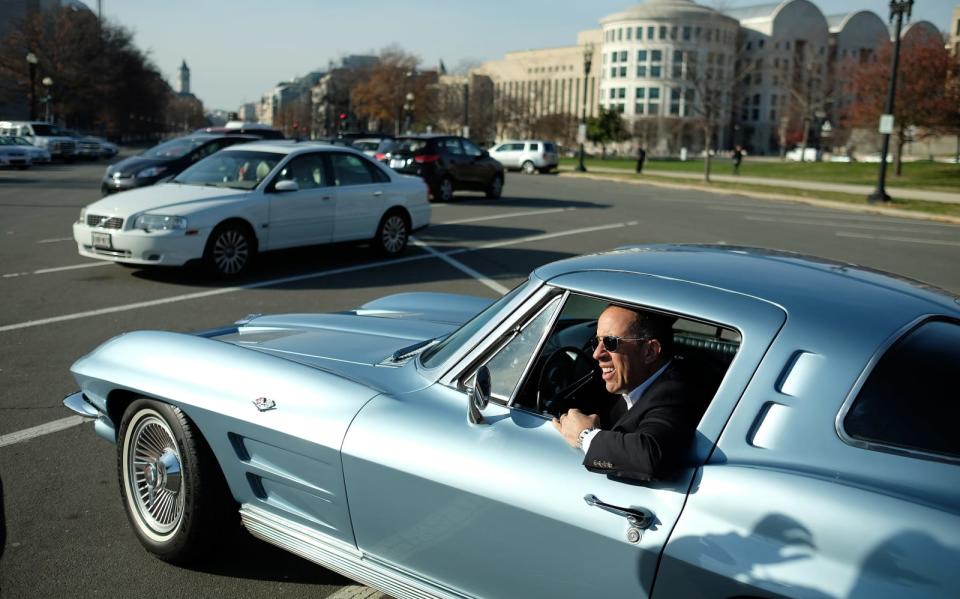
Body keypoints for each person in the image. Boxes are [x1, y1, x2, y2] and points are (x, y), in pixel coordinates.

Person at [552, 305, 713, 481]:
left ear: (649, 351)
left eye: (610, 342)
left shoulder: (676, 393)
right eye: (596, 341)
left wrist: (584, 435)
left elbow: (650, 457)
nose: (597, 354)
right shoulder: (630, 380)